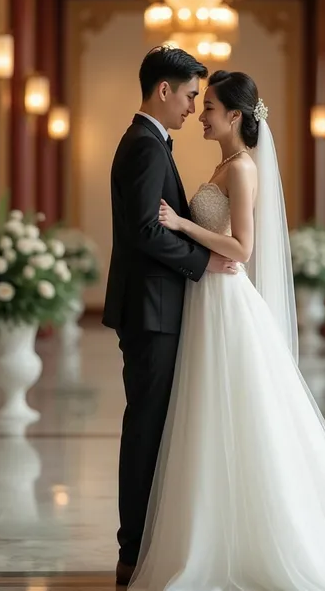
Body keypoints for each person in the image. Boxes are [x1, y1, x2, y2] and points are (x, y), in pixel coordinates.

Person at [128, 70, 325, 591]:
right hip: (208, 296)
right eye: (199, 105)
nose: (200, 114)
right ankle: (207, 532)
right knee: (208, 412)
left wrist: (181, 226)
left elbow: (242, 249)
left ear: (233, 116)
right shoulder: (225, 163)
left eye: (209, 108)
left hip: (226, 300)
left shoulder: (243, 168)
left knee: (235, 411)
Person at [102, 48, 238, 586]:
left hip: (157, 307)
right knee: (146, 429)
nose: (191, 108)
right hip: (152, 311)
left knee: (155, 427)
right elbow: (143, 231)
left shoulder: (149, 142)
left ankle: (145, 543)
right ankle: (132, 550)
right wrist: (205, 262)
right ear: (163, 90)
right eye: (187, 96)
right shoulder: (143, 145)